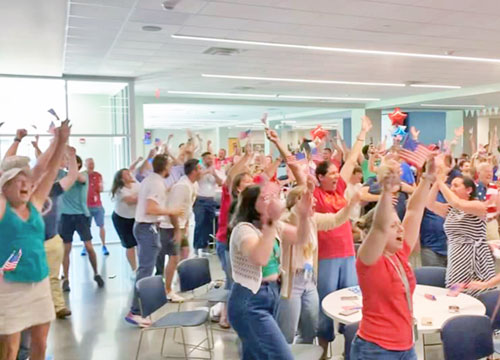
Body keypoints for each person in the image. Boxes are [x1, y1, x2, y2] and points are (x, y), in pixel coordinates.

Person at [350, 157, 436, 360]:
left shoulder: (399, 253)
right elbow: (379, 226)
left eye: (399, 224)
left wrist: (427, 179)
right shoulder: (368, 260)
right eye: (393, 225)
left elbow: (414, 210)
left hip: (406, 346)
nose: (400, 228)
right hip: (375, 349)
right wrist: (387, 192)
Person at [0, 121, 69, 360]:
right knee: (10, 350)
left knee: (41, 344)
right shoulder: (2, 209)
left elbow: (46, 172)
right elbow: (38, 170)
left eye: (27, 182)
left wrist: (59, 142)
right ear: (4, 187)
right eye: (17, 181)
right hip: (9, 287)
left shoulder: (35, 203)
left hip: (39, 285)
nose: (25, 184)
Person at [227, 182, 313, 360]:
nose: (272, 201)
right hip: (249, 300)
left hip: (270, 294)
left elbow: (301, 238)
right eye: (265, 198)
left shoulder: (273, 226)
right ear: (252, 205)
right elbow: (260, 258)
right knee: (280, 356)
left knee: (255, 355)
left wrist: (304, 217)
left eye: (272, 197)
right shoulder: (243, 230)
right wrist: (271, 222)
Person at [313, 116, 371, 354]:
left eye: (337, 173)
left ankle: (351, 348)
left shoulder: (339, 188)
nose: (337, 176)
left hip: (347, 252)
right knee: (325, 302)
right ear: (320, 177)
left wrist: (362, 134)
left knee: (351, 300)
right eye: (332, 174)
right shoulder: (314, 195)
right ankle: (323, 350)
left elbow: (349, 162)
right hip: (326, 255)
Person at [125, 154, 183, 327]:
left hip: (145, 228)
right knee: (145, 271)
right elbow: (151, 208)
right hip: (146, 228)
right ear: (165, 167)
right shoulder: (156, 183)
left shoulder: (152, 179)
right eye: (171, 166)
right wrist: (170, 211)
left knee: (146, 269)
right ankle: (134, 311)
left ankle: (138, 309)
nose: (172, 169)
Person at [426, 173, 496, 297]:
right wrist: (437, 182)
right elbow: (429, 204)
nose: (451, 189)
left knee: (479, 295)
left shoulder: (478, 206)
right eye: (451, 185)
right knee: (456, 296)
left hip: (475, 258)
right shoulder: (451, 209)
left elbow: (458, 203)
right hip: (456, 257)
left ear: (468, 190)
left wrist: (441, 183)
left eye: (456, 186)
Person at [43, 146, 79, 319]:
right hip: (26, 244)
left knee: (53, 276)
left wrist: (71, 156)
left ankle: (58, 306)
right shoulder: (23, 192)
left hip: (50, 239)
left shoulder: (53, 189)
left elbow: (71, 177)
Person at [157, 158, 200, 302]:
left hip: (180, 225)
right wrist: (177, 230)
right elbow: (173, 211)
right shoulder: (182, 186)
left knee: (185, 252)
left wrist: (186, 225)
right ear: (194, 171)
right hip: (171, 226)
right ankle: (168, 290)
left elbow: (187, 207)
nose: (202, 171)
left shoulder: (193, 185)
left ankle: (178, 282)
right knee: (173, 258)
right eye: (199, 169)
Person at [60, 155, 104, 292]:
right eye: (67, 162)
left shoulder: (83, 175)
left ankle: (96, 273)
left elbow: (79, 178)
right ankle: (66, 278)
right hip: (65, 216)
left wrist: (71, 155)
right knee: (66, 249)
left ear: (78, 164)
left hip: (81, 216)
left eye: (72, 162)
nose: (69, 164)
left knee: (89, 247)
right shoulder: (62, 175)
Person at [193, 152, 223, 255]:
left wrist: (214, 173)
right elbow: (196, 178)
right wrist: (207, 171)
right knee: (199, 223)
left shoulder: (217, 171)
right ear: (203, 159)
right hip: (200, 200)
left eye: (211, 158)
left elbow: (220, 183)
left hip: (211, 200)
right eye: (207, 158)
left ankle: (207, 245)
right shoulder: (199, 171)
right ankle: (197, 246)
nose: (209, 160)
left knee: (210, 224)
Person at [111, 168, 140, 272]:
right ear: (122, 179)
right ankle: (134, 269)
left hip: (134, 218)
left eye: (129, 173)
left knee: (139, 243)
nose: (130, 175)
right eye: (126, 174)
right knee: (130, 245)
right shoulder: (120, 190)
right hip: (121, 219)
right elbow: (131, 200)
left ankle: (141, 268)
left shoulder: (135, 183)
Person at [84, 158, 108, 256]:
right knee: (86, 228)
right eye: (89, 163)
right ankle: (85, 247)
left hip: (97, 205)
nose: (91, 165)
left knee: (101, 226)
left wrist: (101, 187)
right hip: (86, 206)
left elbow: (101, 188)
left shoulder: (98, 175)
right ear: (85, 165)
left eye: (93, 163)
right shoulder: (83, 176)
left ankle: (103, 245)